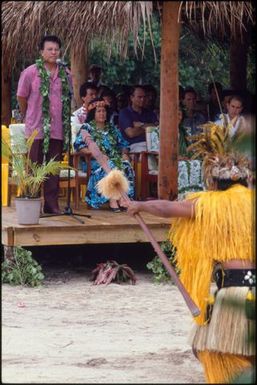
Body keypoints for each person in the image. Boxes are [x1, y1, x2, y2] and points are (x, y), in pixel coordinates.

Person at [124, 123, 255, 383]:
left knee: (210, 350)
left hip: (235, 293)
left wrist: (140, 205)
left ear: (214, 182)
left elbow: (168, 208)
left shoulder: (208, 203)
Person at [17, 35, 71, 214]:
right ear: (41, 52)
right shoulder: (30, 72)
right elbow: (21, 96)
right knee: (34, 167)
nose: (53, 52)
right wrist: (28, 114)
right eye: (50, 49)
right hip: (36, 128)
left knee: (53, 168)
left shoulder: (66, 73)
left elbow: (68, 98)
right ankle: (32, 203)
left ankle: (51, 205)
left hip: (57, 130)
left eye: (56, 49)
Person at [73, 98, 135, 212]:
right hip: (95, 163)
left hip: (114, 159)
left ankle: (122, 197)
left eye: (104, 111)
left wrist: (125, 153)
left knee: (125, 164)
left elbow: (123, 144)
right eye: (99, 111)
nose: (102, 113)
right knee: (111, 165)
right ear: (93, 113)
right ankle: (113, 199)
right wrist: (96, 155)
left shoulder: (112, 129)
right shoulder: (87, 127)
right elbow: (80, 146)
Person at [118, 85, 159, 153]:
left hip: (153, 145)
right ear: (132, 98)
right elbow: (131, 133)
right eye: (139, 97)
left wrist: (141, 125)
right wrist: (148, 127)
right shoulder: (125, 113)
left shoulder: (150, 113)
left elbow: (157, 128)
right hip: (134, 146)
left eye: (144, 97)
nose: (142, 99)